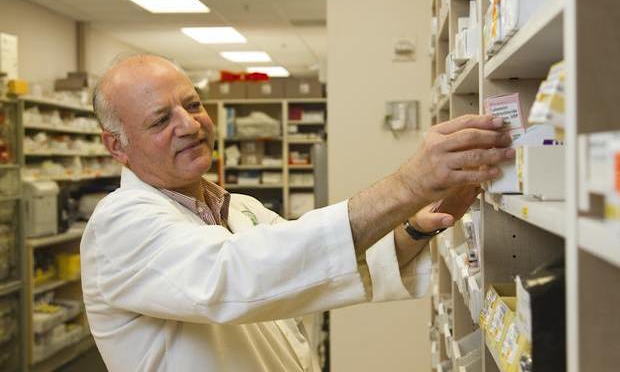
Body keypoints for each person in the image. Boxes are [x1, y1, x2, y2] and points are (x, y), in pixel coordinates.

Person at [81, 54, 513, 371]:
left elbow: (314, 269)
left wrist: (417, 228)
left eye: (192, 105)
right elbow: (238, 274)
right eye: (161, 120)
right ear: (116, 146)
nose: (191, 125)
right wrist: (407, 186)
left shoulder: (238, 209)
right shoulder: (120, 227)